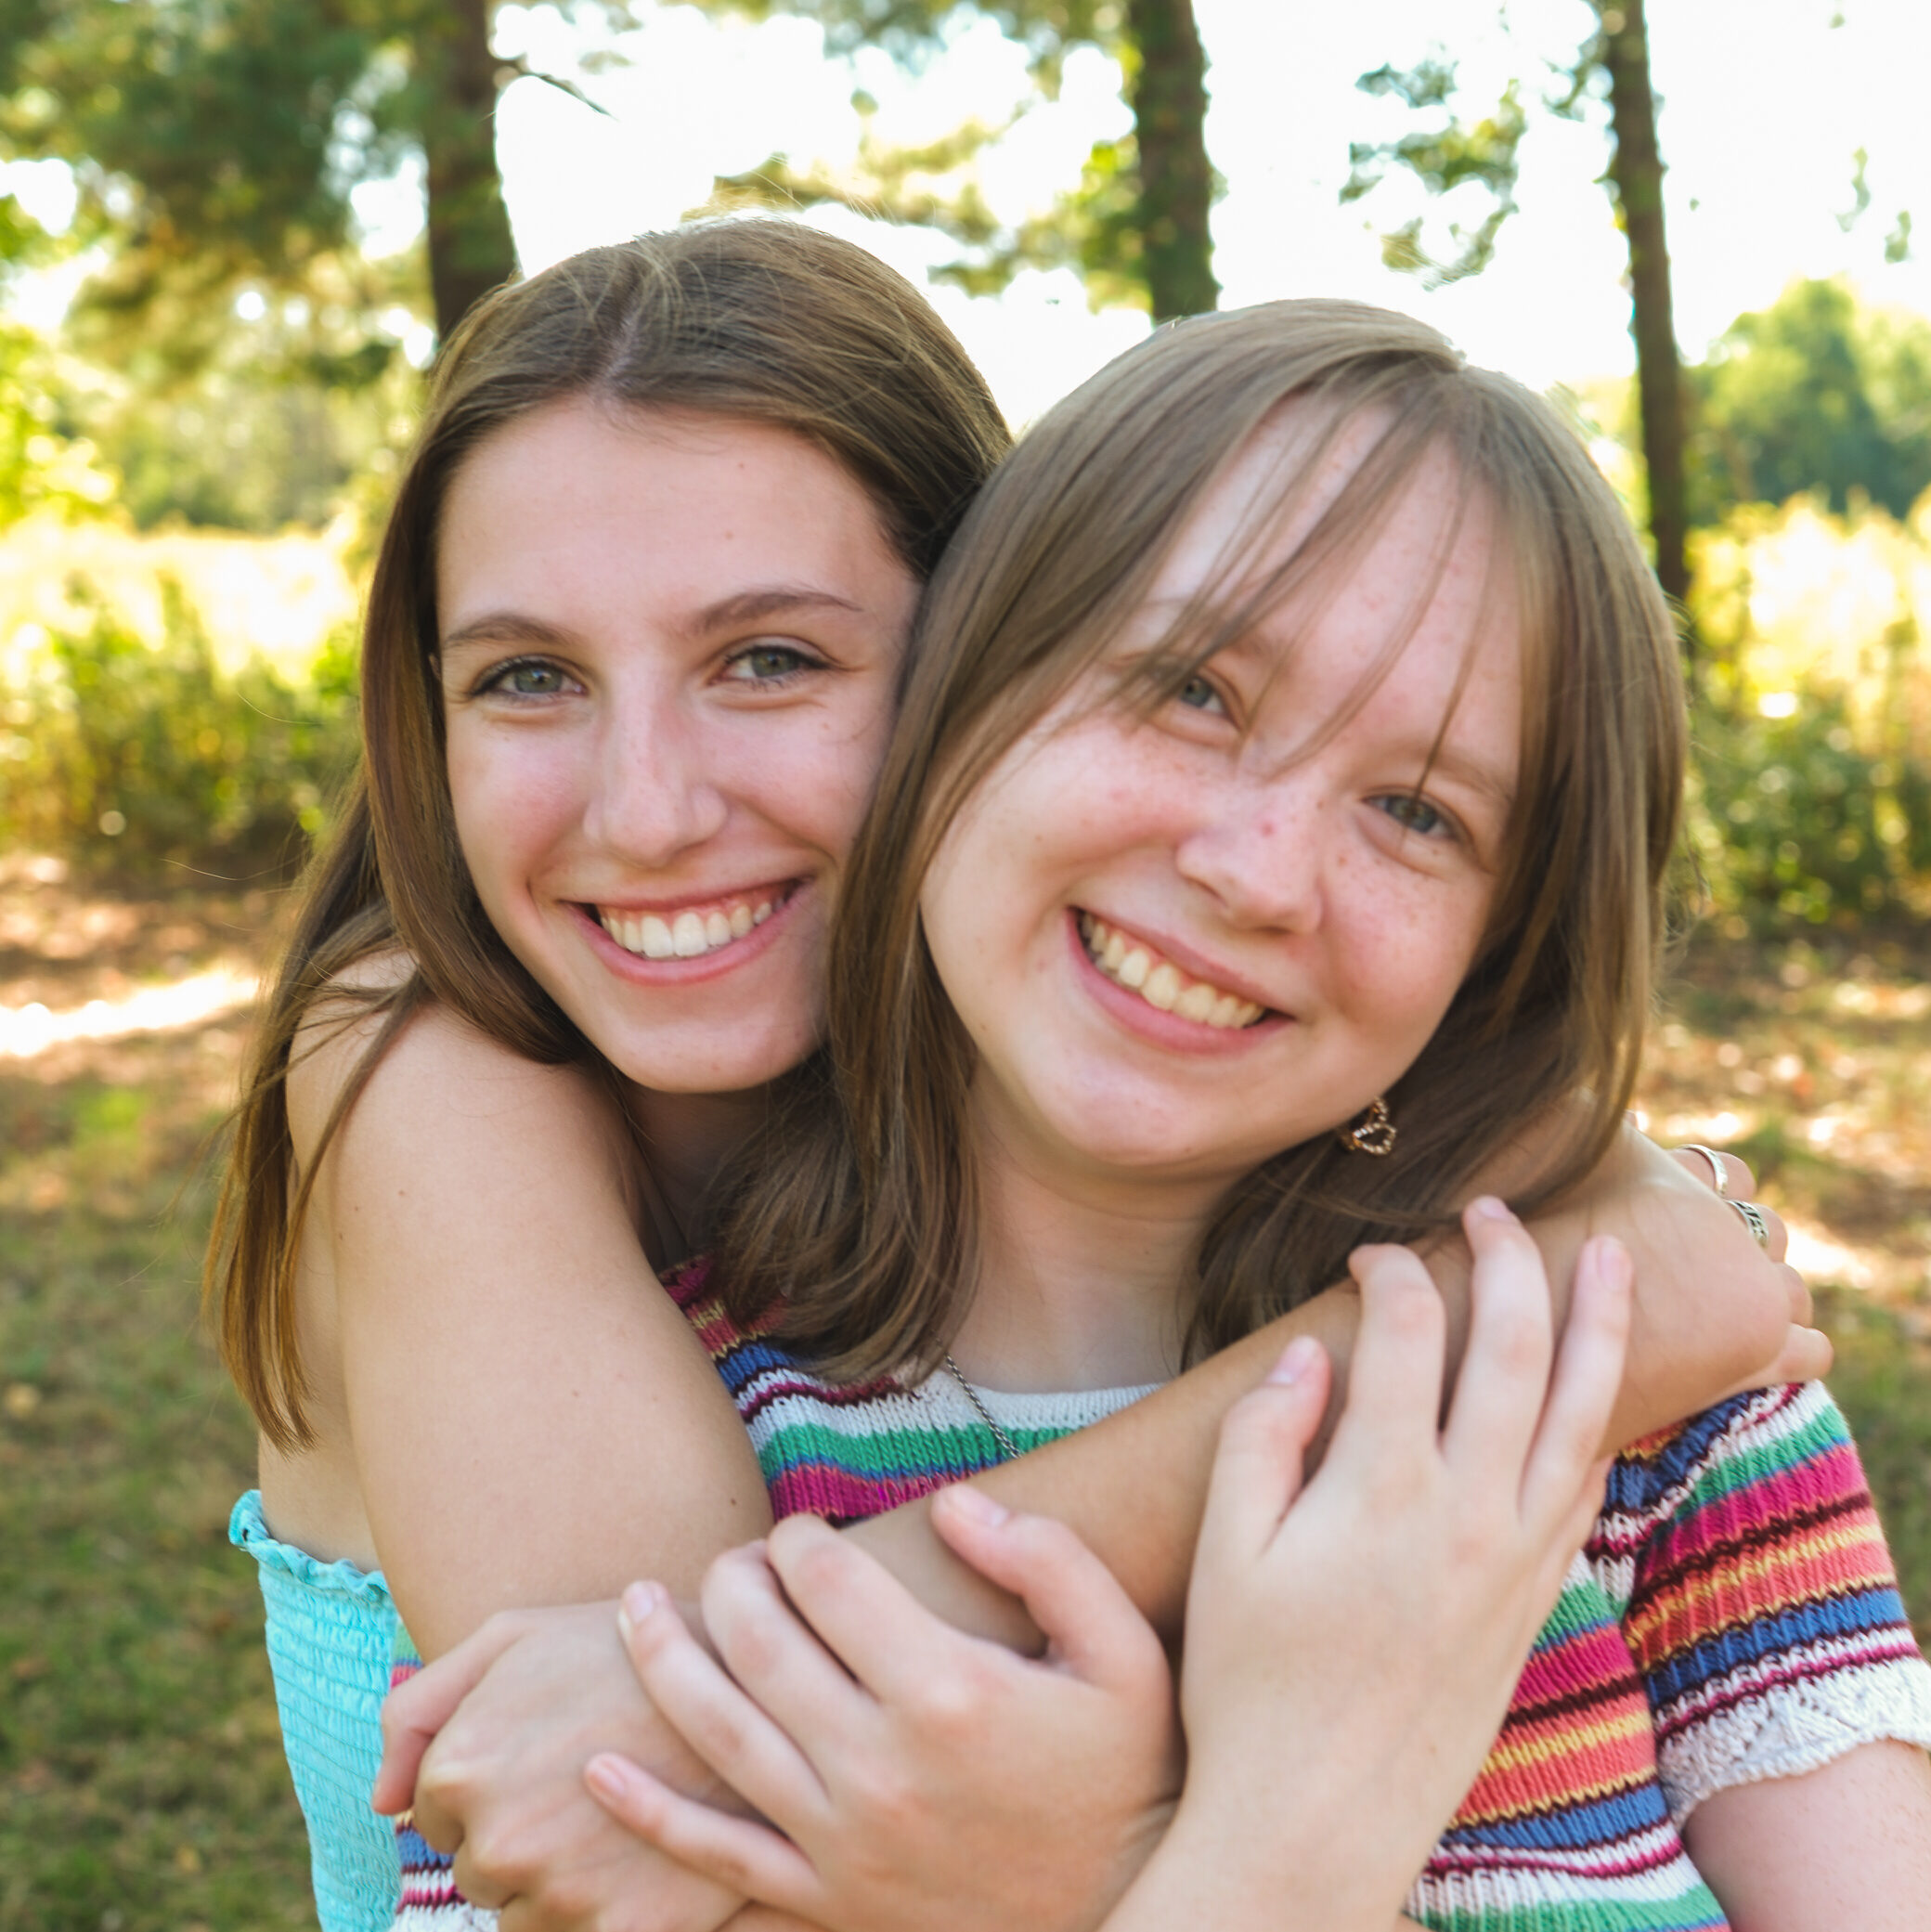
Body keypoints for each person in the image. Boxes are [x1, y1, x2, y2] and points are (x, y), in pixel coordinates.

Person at [207, 222, 1818, 1932]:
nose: (650, 808)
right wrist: (1570, 1315)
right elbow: (691, 1781)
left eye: (772, 658)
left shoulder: (1031, 1113)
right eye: (527, 676)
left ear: (991, 648)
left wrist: (1644, 1230)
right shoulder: (421, 1067)